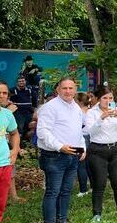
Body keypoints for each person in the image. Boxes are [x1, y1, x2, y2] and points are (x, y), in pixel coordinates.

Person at [36, 78, 87, 223]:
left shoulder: (76, 107)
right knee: (53, 192)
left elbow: (78, 131)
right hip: (55, 156)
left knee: (66, 191)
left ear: (75, 90)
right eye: (64, 88)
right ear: (58, 89)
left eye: (71, 88)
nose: (68, 91)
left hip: (72, 156)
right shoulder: (50, 107)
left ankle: (62, 219)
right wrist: (60, 146)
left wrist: (82, 148)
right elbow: (42, 132)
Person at [84, 85, 117, 222]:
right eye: (105, 98)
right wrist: (101, 118)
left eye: (110, 98)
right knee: (99, 184)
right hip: (98, 151)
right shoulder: (92, 113)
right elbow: (90, 132)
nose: (108, 100)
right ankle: (97, 214)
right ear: (98, 99)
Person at [0, 80, 20, 223]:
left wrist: (15, 150)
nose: (1, 95)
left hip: (5, 164)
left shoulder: (7, 114)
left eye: (4, 93)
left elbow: (15, 133)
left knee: (0, 204)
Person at [8, 76, 37, 145]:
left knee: (29, 129)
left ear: (25, 82)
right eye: (20, 81)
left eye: (23, 81)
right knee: (19, 129)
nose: (21, 82)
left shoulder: (30, 90)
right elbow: (8, 100)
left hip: (29, 113)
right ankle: (18, 146)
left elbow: (34, 101)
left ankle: (28, 145)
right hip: (18, 114)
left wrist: (34, 111)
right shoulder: (12, 90)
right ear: (17, 82)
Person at [75, 93, 92, 198]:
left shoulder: (78, 113)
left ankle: (83, 189)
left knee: (81, 164)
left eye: (75, 100)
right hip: (92, 139)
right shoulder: (92, 112)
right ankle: (92, 186)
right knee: (89, 164)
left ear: (80, 102)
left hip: (81, 139)